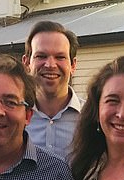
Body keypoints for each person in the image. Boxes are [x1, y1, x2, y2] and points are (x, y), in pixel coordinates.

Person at [22, 20, 83, 160]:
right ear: (26, 63)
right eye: (41, 56)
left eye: (60, 57)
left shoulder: (93, 118)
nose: (50, 65)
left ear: (73, 65)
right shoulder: (14, 118)